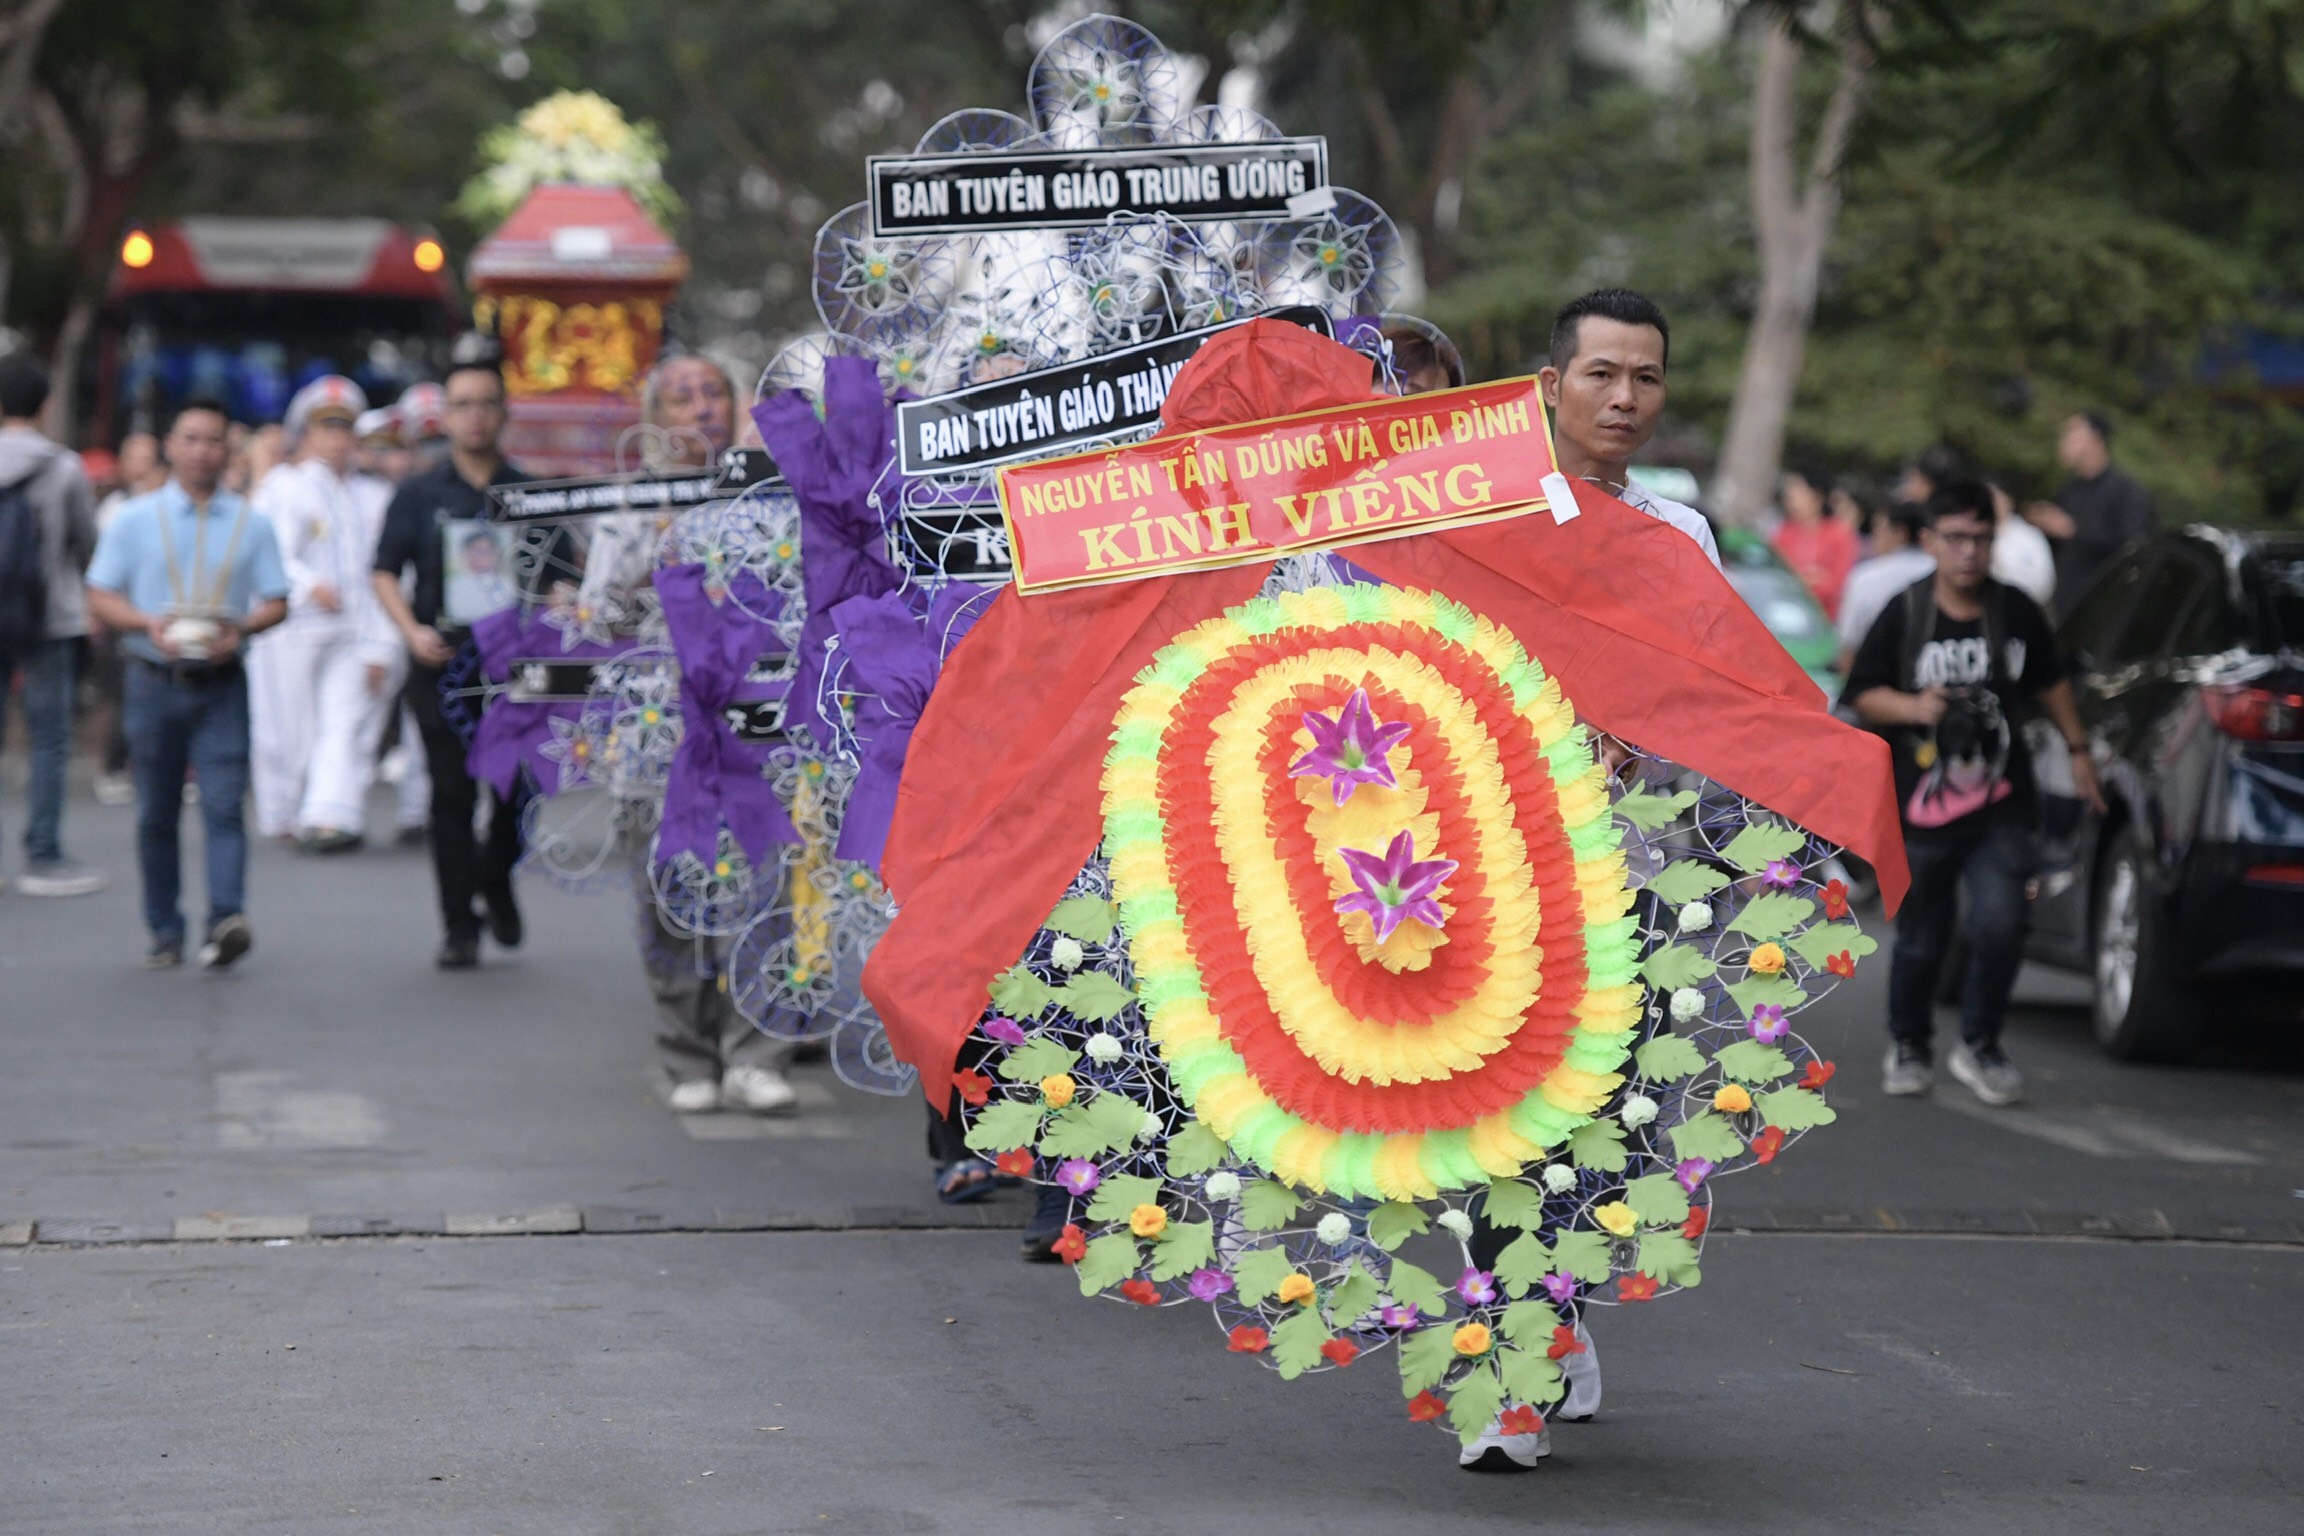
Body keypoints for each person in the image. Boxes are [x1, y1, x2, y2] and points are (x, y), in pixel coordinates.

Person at [1846, 478, 2104, 1107]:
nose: (1969, 552)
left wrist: (2078, 753)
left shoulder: (2014, 610)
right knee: (1922, 937)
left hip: (2001, 803)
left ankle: (1980, 1044)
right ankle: (1909, 1044)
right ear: (1931, 541)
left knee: (2001, 925)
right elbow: (1861, 691)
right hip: (1921, 804)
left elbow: (2052, 683)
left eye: (1981, 539)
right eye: (1956, 538)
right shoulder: (1906, 610)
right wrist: (1914, 705)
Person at [611, 352, 802, 1115]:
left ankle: (757, 1053)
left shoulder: (775, 500)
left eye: (713, 393)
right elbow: (604, 616)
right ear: (658, 419)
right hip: (662, 730)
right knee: (667, 891)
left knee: (765, 885)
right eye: (682, 398)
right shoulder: (630, 503)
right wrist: (650, 546)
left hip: (754, 727)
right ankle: (686, 1053)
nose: (701, 409)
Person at [83, 395, 291, 968]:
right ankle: (164, 928)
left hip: (222, 681)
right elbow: (99, 593)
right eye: (191, 438)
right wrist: (146, 623)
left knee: (224, 805)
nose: (202, 450)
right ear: (170, 447)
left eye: (213, 439)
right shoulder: (132, 519)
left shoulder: (253, 523)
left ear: (229, 449)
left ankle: (225, 917)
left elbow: (278, 601)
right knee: (156, 812)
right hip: (153, 678)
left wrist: (242, 628)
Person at [370, 339, 532, 969]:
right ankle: (458, 924)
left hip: (515, 672)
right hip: (441, 663)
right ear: (445, 415)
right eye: (463, 405)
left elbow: (561, 578)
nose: (475, 416)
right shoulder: (417, 494)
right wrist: (410, 631)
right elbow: (384, 571)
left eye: (487, 404)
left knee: (519, 792)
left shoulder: (529, 492)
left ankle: (496, 876)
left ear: (504, 411)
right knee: (450, 796)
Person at [247, 376, 400, 851]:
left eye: (345, 429)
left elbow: (384, 574)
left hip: (352, 630)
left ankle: (329, 814)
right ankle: (282, 811)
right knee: (286, 729)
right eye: (326, 429)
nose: (337, 439)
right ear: (306, 434)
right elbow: (267, 554)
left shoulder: (371, 494)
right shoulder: (285, 487)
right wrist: (309, 584)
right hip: (292, 629)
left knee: (344, 720)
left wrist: (380, 643)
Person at [0, 351, 108, 896]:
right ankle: (42, 854)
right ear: (44, 404)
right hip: (50, 616)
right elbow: (88, 546)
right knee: (48, 739)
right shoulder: (63, 467)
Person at [1537, 288, 1720, 568]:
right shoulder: (1489, 511)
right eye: (1601, 374)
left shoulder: (1682, 535)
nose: (1625, 399)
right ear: (1552, 386)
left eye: (1645, 379)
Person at [91, 430, 168, 806]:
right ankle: (113, 766)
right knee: (120, 694)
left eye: (146, 458)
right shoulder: (114, 509)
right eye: (133, 457)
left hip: (161, 615)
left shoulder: (168, 508)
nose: (139, 465)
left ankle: (154, 766)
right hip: (118, 613)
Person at [2026, 410, 2152, 612]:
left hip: (2105, 609)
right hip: (2066, 609)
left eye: (2072, 434)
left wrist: (2073, 530)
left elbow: (2133, 547)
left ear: (2095, 440)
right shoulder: (2070, 489)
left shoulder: (2125, 490)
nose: (2064, 441)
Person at [1834, 498, 1933, 673]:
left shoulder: (1866, 577)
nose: (1873, 539)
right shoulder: (1940, 571)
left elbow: (1849, 647)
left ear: (1900, 532)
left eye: (1878, 530)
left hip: (1877, 681)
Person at [1770, 466, 1859, 618]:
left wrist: (1797, 578)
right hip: (1784, 615)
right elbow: (1774, 576)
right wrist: (1811, 578)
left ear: (1817, 496)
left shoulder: (1840, 535)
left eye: (1799, 492)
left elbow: (1838, 585)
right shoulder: (1783, 532)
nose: (1790, 497)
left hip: (1823, 620)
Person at [1985, 478, 2055, 610]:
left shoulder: (2030, 537)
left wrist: (2003, 567)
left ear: (2009, 500)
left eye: (1995, 497)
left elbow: (2044, 586)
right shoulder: (1975, 538)